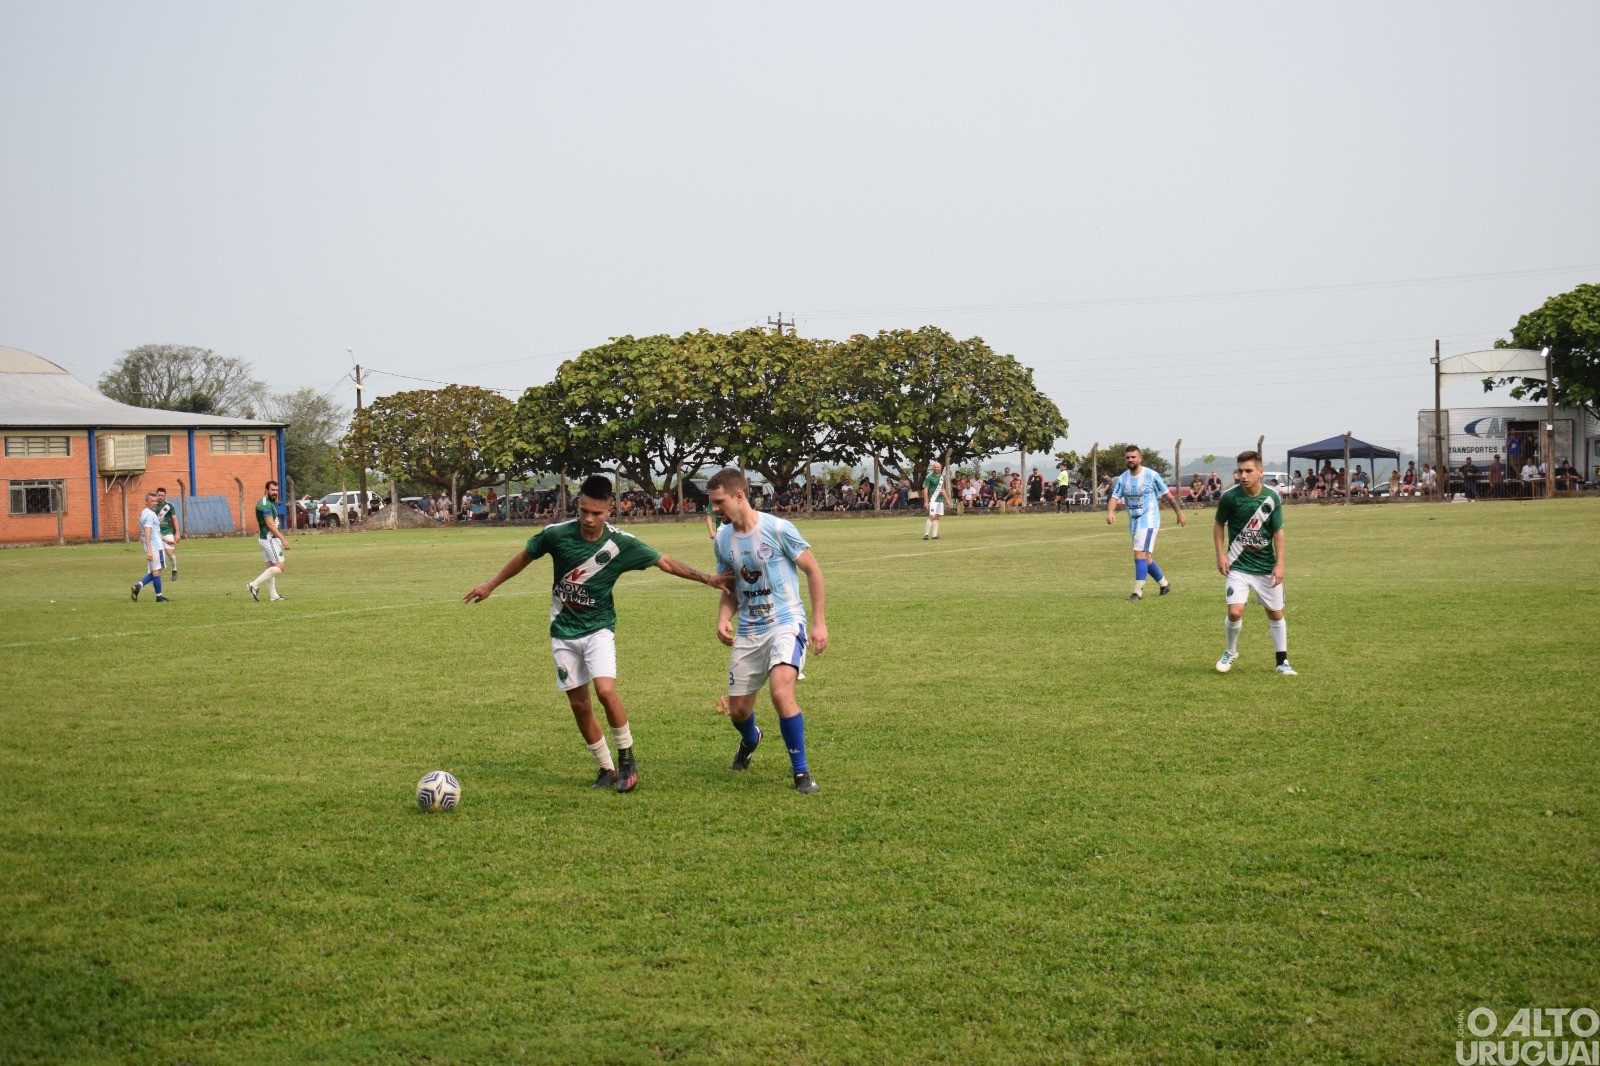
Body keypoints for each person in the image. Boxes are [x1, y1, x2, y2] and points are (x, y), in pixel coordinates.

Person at [463, 475, 730, 793]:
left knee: (605, 691)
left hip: (599, 629)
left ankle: (627, 757)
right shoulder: (557, 535)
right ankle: (605, 768)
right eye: (584, 511)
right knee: (579, 705)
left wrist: (707, 578)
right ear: (579, 506)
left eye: (597, 513)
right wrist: (490, 584)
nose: (589, 519)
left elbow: (665, 562)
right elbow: (525, 556)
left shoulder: (621, 544)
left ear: (609, 510)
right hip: (562, 630)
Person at [705, 468, 828, 794]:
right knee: (739, 710)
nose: (716, 509)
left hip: (785, 624)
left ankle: (801, 773)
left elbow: (813, 570)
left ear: (739, 496)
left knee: (780, 691)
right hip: (748, 630)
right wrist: (722, 617)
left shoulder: (778, 529)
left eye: (719, 502)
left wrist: (818, 622)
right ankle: (751, 737)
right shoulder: (723, 540)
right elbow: (729, 587)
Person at [1213, 450, 1294, 676]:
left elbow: (1278, 532)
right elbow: (1219, 525)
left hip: (1266, 567)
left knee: (1276, 614)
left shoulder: (1272, 498)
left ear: (1261, 472)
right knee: (1235, 612)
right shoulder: (1230, 497)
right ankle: (1231, 651)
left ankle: (1282, 662)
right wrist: (1220, 555)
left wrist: (1280, 564)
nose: (1243, 475)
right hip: (1237, 565)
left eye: (1249, 471)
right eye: (1240, 471)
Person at [1107, 445, 1185, 601]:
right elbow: (1114, 497)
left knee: (1139, 554)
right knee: (1146, 559)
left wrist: (1179, 513)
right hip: (1134, 521)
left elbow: (1168, 496)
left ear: (1140, 458)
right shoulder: (1123, 478)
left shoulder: (1151, 475)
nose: (1130, 460)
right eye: (1128, 457)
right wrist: (1110, 512)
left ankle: (1137, 592)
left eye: (1133, 457)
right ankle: (1164, 584)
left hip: (1149, 519)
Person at [247, 480, 288, 602]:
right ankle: (254, 584)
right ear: (266, 490)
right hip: (269, 539)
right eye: (272, 490)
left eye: (276, 490)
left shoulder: (268, 502)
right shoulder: (265, 505)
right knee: (280, 567)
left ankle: (273, 595)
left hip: (267, 538)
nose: (275, 492)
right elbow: (270, 524)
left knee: (271, 567)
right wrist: (283, 539)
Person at [130, 491, 170, 603]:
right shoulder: (150, 515)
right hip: (155, 548)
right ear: (146, 502)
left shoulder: (144, 513)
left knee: (154, 572)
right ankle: (159, 598)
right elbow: (147, 532)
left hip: (152, 546)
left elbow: (151, 532)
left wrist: (166, 540)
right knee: (157, 573)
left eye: (156, 501)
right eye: (152, 501)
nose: (154, 503)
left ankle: (138, 587)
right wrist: (150, 551)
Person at [152, 486, 181, 579]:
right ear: (156, 495)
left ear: (165, 496)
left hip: (168, 532)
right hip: (157, 533)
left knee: (169, 552)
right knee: (155, 554)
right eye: (159, 495)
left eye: (162, 495)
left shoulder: (169, 506)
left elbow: (175, 519)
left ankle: (174, 569)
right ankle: (155, 574)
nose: (160, 497)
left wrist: (177, 533)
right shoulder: (152, 506)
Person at [922, 460, 948, 540]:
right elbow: (925, 489)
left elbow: (942, 489)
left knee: (937, 517)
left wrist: (946, 499)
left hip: (940, 500)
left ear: (940, 468)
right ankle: (926, 534)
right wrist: (926, 501)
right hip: (933, 499)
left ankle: (934, 535)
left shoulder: (941, 477)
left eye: (938, 467)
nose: (936, 468)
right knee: (932, 516)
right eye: (935, 467)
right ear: (933, 468)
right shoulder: (929, 477)